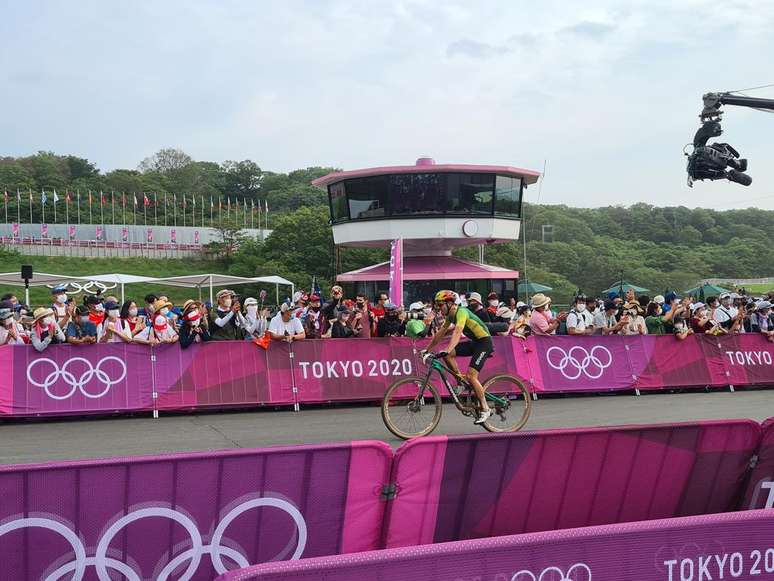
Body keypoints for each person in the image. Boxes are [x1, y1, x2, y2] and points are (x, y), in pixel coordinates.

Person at [424, 290, 494, 425]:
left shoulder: (461, 312)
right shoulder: (450, 316)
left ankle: (486, 409)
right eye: (437, 305)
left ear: (450, 303)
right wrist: (426, 349)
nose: (438, 308)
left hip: (484, 343)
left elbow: (457, 332)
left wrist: (448, 349)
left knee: (471, 376)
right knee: (448, 355)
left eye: (440, 305)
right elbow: (440, 334)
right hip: (475, 342)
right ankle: (460, 382)